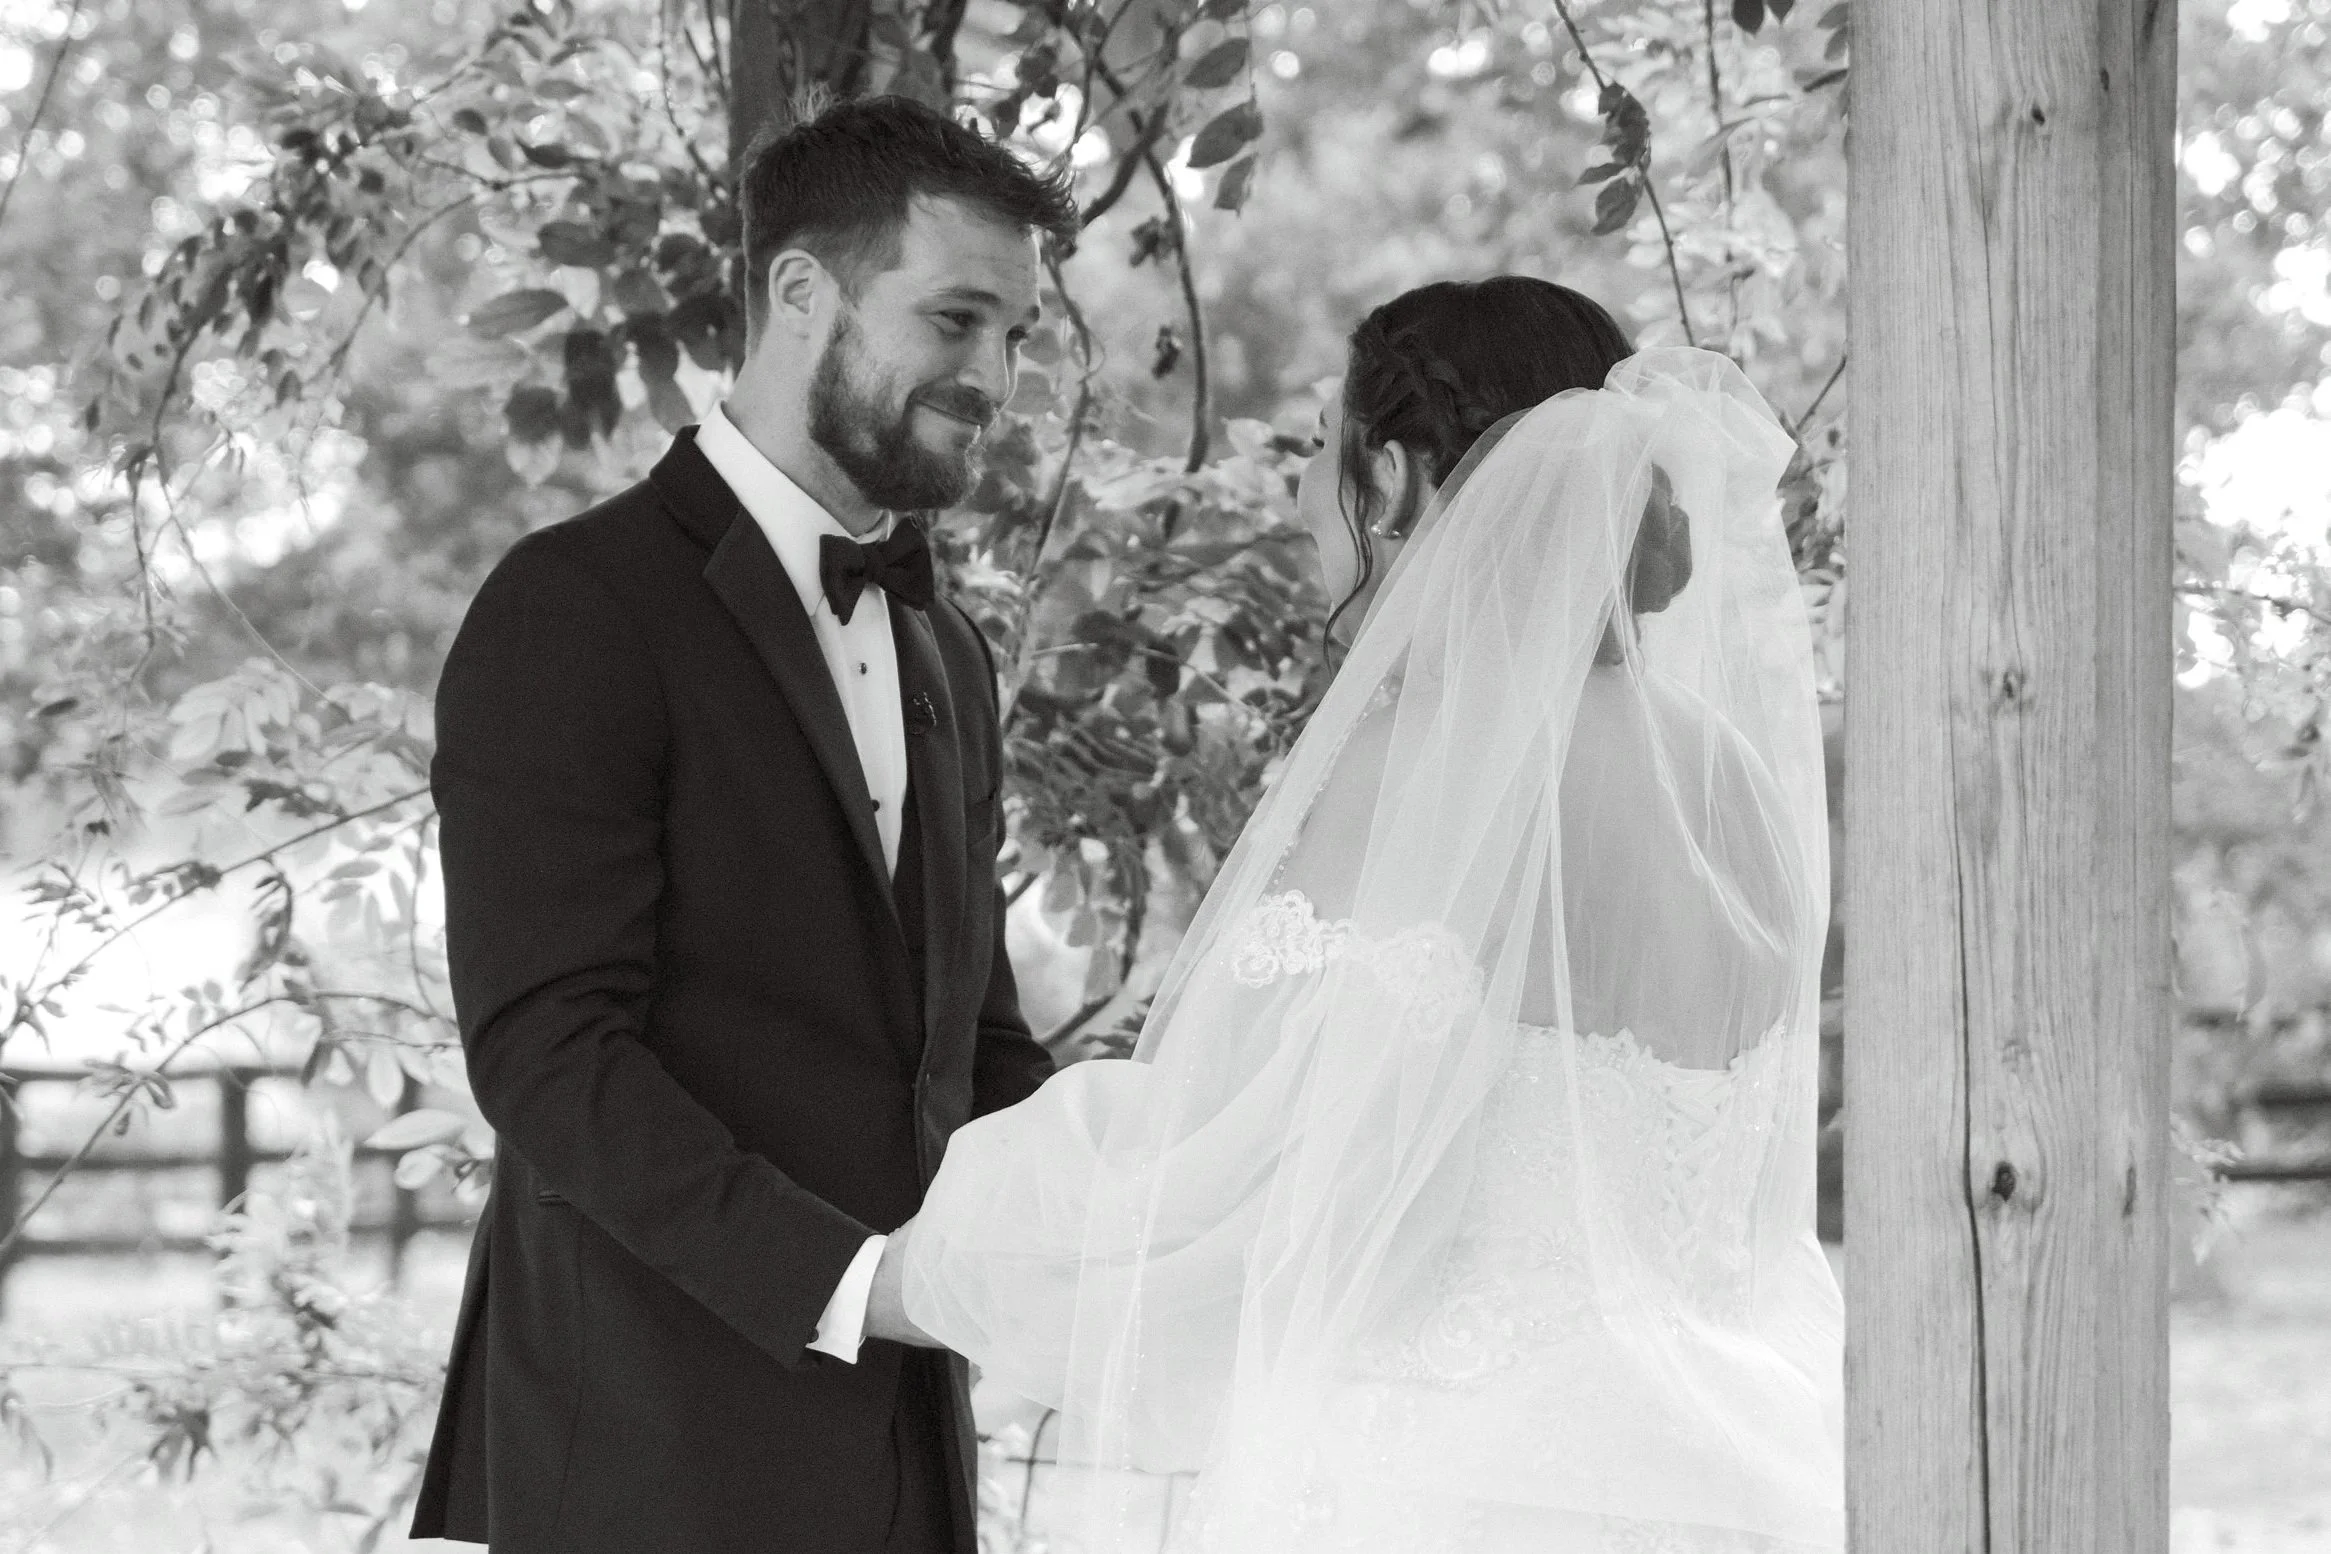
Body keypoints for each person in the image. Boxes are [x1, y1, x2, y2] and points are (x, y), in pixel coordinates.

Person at [894, 278, 1847, 1553]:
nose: (1303, 502)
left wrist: (917, 1252)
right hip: (1726, 1475)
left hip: (1445, 1486)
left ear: (1390, 480)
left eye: (1315, 454)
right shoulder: (1731, 785)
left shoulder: (1427, 769)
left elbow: (1243, 1171)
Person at [409, 96, 1069, 1554]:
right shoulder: (575, 607)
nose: (996, 380)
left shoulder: (945, 649)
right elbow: (548, 1053)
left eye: (1016, 337)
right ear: (796, 292)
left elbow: (972, 1045)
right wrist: (850, 1282)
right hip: (637, 1462)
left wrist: (1159, 1169)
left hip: (904, 1461)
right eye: (957, 321)